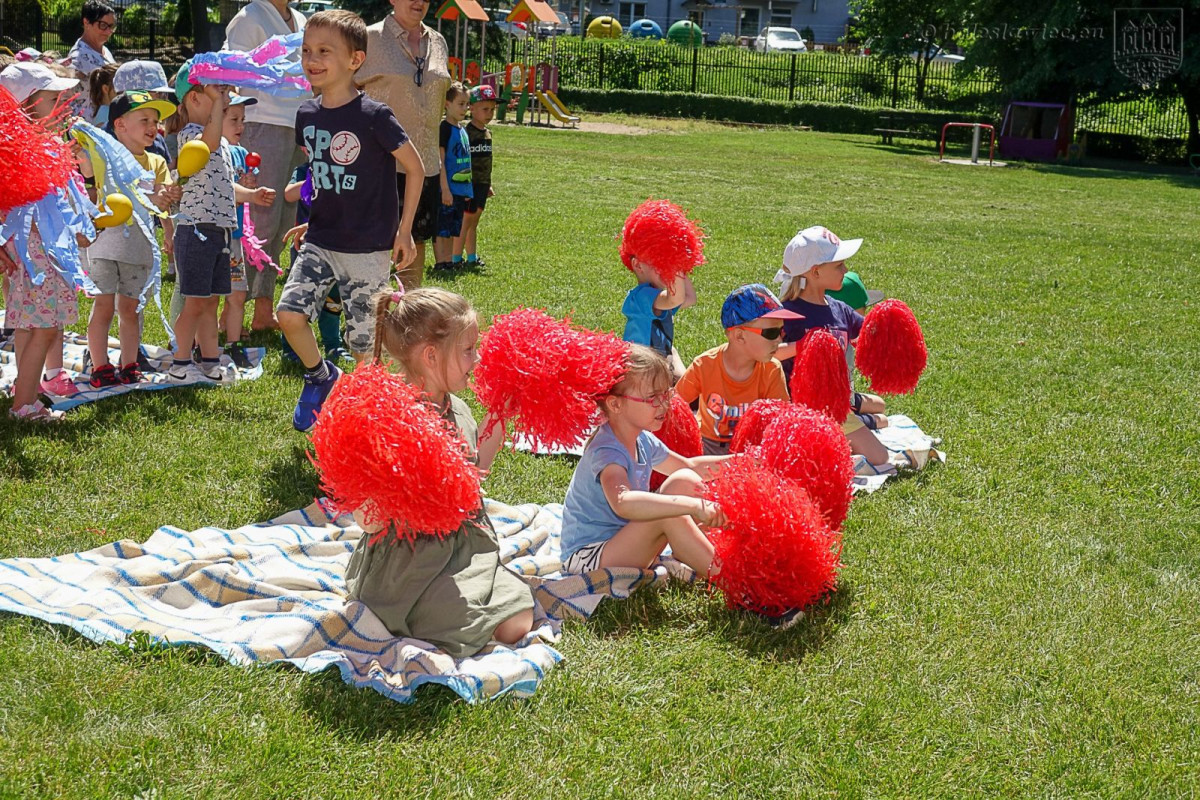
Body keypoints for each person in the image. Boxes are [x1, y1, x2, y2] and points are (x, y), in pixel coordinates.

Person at [343, 286, 535, 658]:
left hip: (464, 549)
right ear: (431, 355)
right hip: (409, 563)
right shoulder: (390, 420)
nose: (476, 360)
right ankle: (419, 611)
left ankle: (464, 600)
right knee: (501, 625)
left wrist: (500, 413)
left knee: (518, 617)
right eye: (467, 350)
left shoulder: (456, 408)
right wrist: (401, 487)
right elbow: (367, 519)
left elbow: (475, 472)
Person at [277, 9, 422, 431]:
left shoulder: (374, 116)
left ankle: (366, 422)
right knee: (290, 315)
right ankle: (321, 376)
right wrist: (311, 218)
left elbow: (413, 169)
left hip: (368, 249)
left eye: (325, 51)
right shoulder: (306, 116)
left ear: (355, 60)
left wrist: (405, 229)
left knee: (363, 347)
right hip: (321, 238)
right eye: (307, 50)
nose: (312, 59)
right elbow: (323, 178)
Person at [559, 344, 724, 579]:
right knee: (669, 512)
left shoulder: (643, 439)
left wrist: (746, 461)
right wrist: (692, 506)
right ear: (615, 404)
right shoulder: (606, 451)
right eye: (652, 398)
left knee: (686, 480)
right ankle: (738, 585)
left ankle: (696, 551)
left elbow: (689, 466)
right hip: (588, 557)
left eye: (665, 394)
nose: (663, 404)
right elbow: (622, 501)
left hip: (624, 540)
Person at [167, 61, 276, 384]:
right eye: (219, 92)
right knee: (195, 302)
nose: (226, 98)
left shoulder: (225, 146)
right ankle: (180, 361)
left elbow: (225, 184)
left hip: (219, 229)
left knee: (212, 300)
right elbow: (208, 143)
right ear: (194, 99)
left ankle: (210, 358)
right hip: (196, 230)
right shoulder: (190, 134)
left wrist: (250, 195)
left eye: (225, 91)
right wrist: (218, 106)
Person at [0, 63, 87, 420]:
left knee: (29, 324)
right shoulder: (19, 153)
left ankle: (26, 390)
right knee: (45, 325)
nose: (59, 107)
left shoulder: (37, 148)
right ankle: (23, 404)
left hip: (34, 252)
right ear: (27, 106)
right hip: (37, 255)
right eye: (53, 99)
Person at [85, 91, 180, 387]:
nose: (154, 126)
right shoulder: (104, 154)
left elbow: (162, 203)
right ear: (120, 124)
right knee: (102, 306)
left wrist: (168, 211)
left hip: (139, 247)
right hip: (104, 244)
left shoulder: (156, 162)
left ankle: (129, 364)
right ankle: (100, 365)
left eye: (155, 120)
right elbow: (87, 169)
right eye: (144, 119)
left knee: (130, 308)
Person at [223, 0, 308, 331]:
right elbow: (234, 71)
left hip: (295, 124)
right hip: (261, 123)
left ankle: (263, 310)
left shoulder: (300, 18)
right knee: (257, 220)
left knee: (283, 218)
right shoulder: (249, 17)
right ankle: (232, 310)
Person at [774, 226, 890, 464]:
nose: (846, 270)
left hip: (835, 405)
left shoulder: (839, 309)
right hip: (798, 408)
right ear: (815, 272)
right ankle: (844, 434)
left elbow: (866, 336)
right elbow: (768, 354)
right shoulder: (786, 313)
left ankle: (854, 426)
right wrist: (802, 345)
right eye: (839, 265)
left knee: (880, 457)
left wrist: (888, 324)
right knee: (815, 458)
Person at [357, 0, 451, 289]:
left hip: (425, 165)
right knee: (372, 246)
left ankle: (408, 319)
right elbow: (341, 90)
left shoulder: (439, 41)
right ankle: (366, 318)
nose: (419, 2)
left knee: (415, 243)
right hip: (379, 163)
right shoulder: (369, 38)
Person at [675, 284, 798, 455]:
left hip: (752, 450)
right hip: (707, 448)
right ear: (739, 336)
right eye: (771, 333)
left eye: (781, 332)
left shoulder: (771, 370)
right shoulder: (704, 365)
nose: (778, 340)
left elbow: (782, 421)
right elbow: (673, 406)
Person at [283, 160, 351, 365]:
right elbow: (288, 194)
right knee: (296, 301)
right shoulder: (302, 170)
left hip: (338, 243)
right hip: (305, 245)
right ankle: (290, 349)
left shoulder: (342, 170)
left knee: (333, 299)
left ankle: (333, 344)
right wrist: (314, 181)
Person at [218, 94, 260, 369]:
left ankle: (233, 343)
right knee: (207, 297)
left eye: (242, 120)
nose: (240, 126)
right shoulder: (213, 150)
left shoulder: (241, 153)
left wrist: (248, 184)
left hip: (233, 237)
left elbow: (242, 192)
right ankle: (203, 343)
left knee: (237, 294)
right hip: (212, 234)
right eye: (233, 119)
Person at [454, 83, 496, 268]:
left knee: (474, 222)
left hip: (482, 184)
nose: (489, 113)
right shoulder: (465, 133)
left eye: (492, 109)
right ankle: (455, 258)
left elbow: (486, 162)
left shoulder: (488, 134)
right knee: (465, 221)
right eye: (485, 109)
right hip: (469, 184)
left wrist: (489, 184)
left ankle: (472, 257)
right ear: (472, 108)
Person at [432, 82, 472, 271]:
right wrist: (445, 189)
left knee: (453, 227)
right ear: (447, 104)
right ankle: (441, 262)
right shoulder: (444, 129)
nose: (465, 108)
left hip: (459, 188)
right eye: (460, 104)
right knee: (442, 228)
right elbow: (440, 161)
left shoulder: (462, 130)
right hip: (446, 189)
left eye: (467, 104)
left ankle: (449, 260)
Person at [67, 0, 117, 80]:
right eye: (103, 25)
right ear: (86, 22)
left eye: (111, 26)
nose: (109, 31)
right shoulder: (77, 59)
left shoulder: (104, 50)